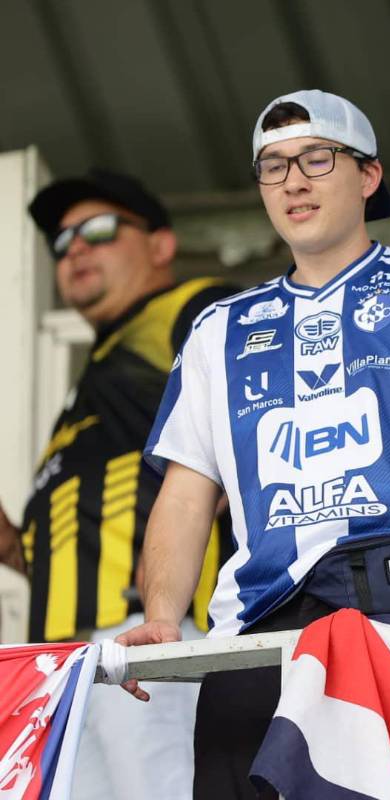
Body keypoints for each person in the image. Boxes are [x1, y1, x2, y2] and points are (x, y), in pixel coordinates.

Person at [116, 90, 390, 799]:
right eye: (273, 167)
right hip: (256, 627)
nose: (293, 182)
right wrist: (160, 618)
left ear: (368, 176)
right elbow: (185, 496)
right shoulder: (218, 328)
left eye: (316, 159)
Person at [0, 169, 238, 800]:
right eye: (61, 242)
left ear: (161, 244)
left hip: (148, 630)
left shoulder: (192, 309)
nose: (75, 248)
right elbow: (73, 547)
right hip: (68, 661)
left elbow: (260, 420)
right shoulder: (92, 381)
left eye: (100, 229)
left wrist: (176, 547)